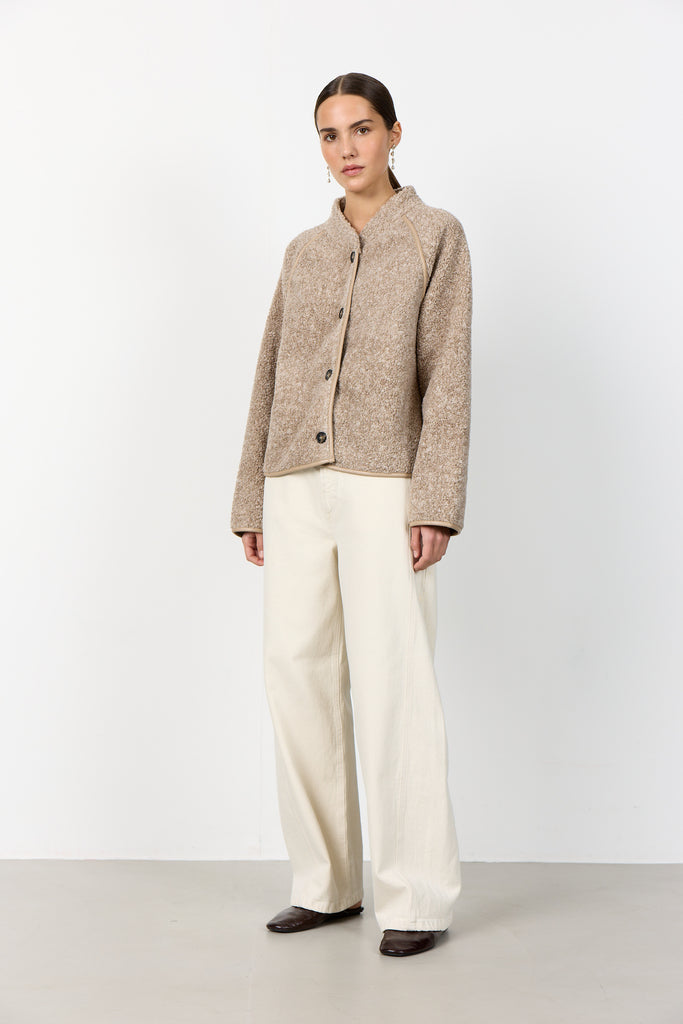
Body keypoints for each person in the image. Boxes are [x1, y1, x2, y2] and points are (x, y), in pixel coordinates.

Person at [230, 72, 472, 958]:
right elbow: (269, 371)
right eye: (330, 135)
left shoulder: (435, 236)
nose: (346, 149)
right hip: (294, 482)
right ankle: (324, 883)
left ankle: (415, 897)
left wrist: (434, 500)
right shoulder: (304, 251)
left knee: (393, 678)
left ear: (393, 133)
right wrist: (251, 497)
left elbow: (447, 374)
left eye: (361, 129)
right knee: (295, 672)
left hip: (385, 485)